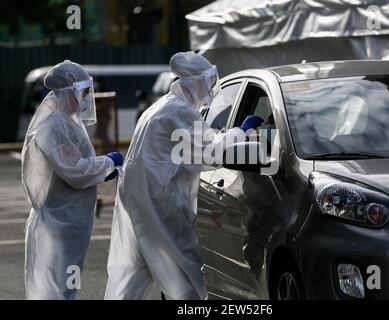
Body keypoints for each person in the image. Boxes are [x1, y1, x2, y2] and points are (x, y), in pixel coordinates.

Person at [105, 51, 263, 300]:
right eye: (208, 81)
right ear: (195, 82)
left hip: (143, 199)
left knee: (139, 269)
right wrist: (242, 132)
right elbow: (212, 150)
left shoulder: (161, 107)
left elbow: (190, 151)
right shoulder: (178, 111)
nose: (212, 88)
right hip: (159, 202)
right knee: (182, 270)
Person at [21, 60, 124, 300]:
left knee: (64, 291)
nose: (89, 98)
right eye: (85, 91)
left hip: (68, 224)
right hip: (56, 226)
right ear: (69, 92)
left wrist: (105, 167)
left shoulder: (67, 122)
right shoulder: (55, 126)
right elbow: (75, 172)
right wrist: (108, 162)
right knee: (55, 293)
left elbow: (75, 167)